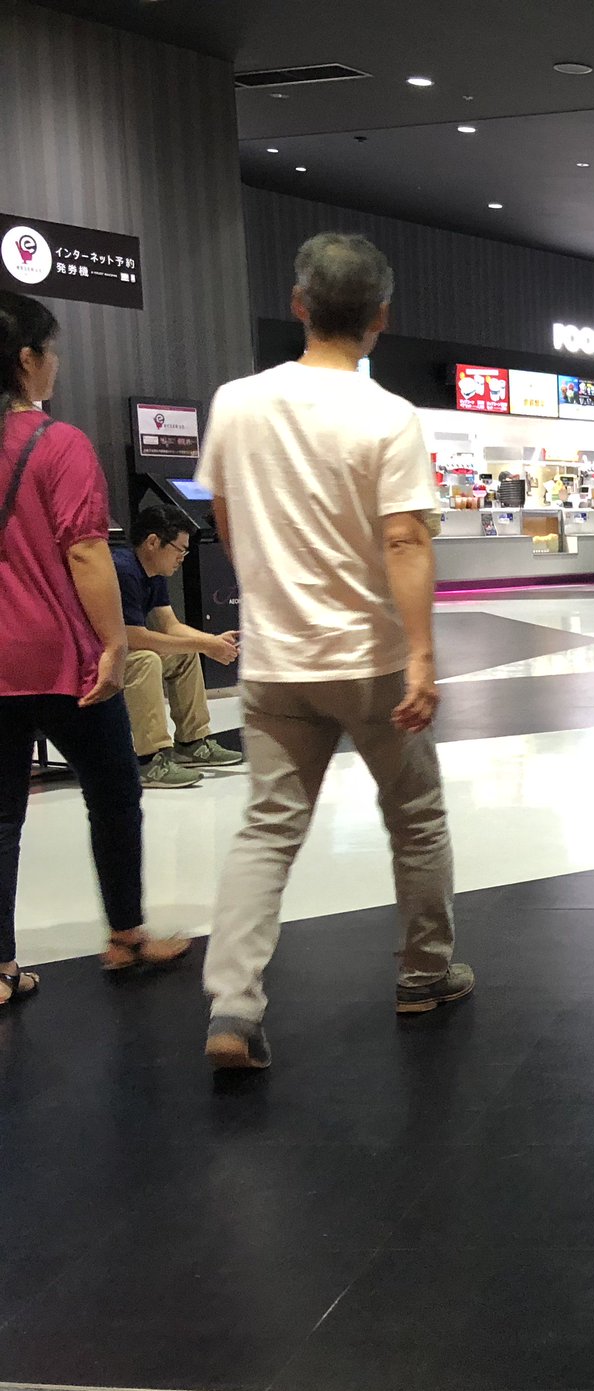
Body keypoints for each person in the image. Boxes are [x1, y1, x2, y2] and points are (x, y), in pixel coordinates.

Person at [195, 232, 471, 1071]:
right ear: (381, 315)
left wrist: (273, 595)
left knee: (267, 830)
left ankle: (234, 1007)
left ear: (299, 305)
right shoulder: (388, 416)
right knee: (415, 819)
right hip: (372, 661)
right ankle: (424, 974)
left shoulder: (236, 402)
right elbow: (405, 539)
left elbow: (227, 520)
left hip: (276, 664)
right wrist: (421, 657)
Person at [1, 293, 188, 1006]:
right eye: (50, 351)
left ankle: (0, 967)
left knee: (1, 817)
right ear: (27, 360)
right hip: (59, 657)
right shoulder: (59, 444)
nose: (56, 364)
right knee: (113, 794)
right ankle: (126, 935)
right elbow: (86, 554)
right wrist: (113, 642)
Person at [112, 504, 244, 788]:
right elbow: (133, 637)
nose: (182, 558)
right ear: (152, 542)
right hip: (96, 657)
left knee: (184, 655)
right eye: (179, 550)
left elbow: (170, 626)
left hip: (119, 651)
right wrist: (206, 644)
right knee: (146, 660)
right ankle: (149, 759)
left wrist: (210, 642)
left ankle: (192, 743)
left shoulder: (153, 573)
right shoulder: (123, 569)